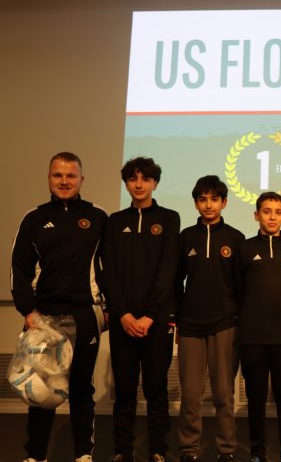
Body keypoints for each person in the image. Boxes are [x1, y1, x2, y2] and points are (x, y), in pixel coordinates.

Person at [11, 152, 108, 462]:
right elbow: (20, 270)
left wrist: (107, 310)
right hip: (43, 318)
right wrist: (28, 312)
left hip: (84, 315)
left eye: (70, 175)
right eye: (58, 175)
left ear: (81, 179)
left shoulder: (98, 217)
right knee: (41, 390)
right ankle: (36, 455)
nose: (64, 181)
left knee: (81, 389)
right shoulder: (34, 219)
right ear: (49, 178)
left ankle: (83, 455)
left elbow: (110, 269)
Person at [103, 157, 180, 462]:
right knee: (124, 390)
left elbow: (168, 271)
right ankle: (122, 450)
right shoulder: (114, 221)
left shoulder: (169, 218)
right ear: (126, 183)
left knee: (156, 389)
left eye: (145, 179)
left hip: (155, 321)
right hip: (122, 321)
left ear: (155, 183)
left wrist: (149, 315)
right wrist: (122, 314)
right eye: (133, 179)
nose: (139, 184)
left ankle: (158, 449)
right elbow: (109, 272)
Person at [176, 175, 245, 462]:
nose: (208, 205)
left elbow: (241, 286)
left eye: (214, 199)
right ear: (195, 203)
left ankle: (226, 450)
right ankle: (188, 449)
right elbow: (174, 281)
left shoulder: (235, 238)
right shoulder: (185, 237)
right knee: (191, 395)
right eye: (202, 199)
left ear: (224, 203)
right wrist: (178, 316)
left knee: (223, 394)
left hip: (225, 323)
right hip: (190, 326)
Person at [237, 192, 281, 462]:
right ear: (257, 215)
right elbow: (237, 292)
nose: (272, 217)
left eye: (278, 212)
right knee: (256, 400)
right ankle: (258, 453)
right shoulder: (244, 249)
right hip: (251, 337)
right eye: (266, 211)